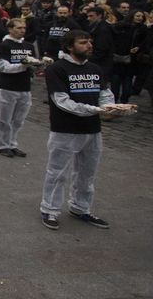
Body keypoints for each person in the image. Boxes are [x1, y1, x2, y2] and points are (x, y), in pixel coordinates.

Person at [40, 30, 133, 231]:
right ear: (69, 47)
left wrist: (111, 108)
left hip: (92, 130)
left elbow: (105, 93)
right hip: (65, 129)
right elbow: (62, 101)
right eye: (83, 43)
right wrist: (95, 110)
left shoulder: (94, 68)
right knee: (57, 172)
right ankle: (49, 209)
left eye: (90, 42)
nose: (89, 45)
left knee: (87, 173)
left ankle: (80, 207)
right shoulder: (57, 69)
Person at [0, 18, 41, 158]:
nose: (22, 30)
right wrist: (22, 65)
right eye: (18, 28)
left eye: (24, 28)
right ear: (10, 29)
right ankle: (1, 144)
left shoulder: (28, 46)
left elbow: (33, 65)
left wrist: (38, 65)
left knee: (18, 120)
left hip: (24, 87)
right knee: (4, 119)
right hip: (8, 86)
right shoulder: (4, 46)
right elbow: (2, 67)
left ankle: (12, 143)